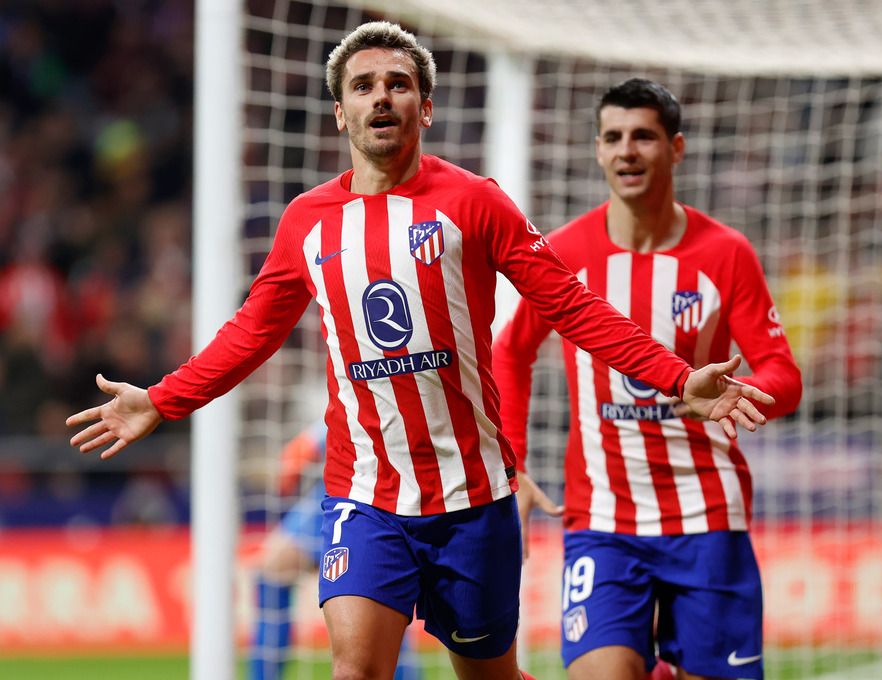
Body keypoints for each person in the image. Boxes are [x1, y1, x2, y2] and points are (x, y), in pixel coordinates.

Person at [67, 24, 775, 680]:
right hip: (364, 493)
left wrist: (676, 376)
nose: (381, 96)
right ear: (340, 114)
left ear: (425, 109)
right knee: (356, 669)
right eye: (364, 86)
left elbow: (572, 305)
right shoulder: (307, 223)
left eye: (398, 84)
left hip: (473, 499)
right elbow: (252, 332)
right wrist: (162, 399)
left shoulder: (475, 203)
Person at [492, 78, 802, 680]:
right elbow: (510, 351)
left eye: (643, 136)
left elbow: (783, 374)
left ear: (676, 148)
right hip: (602, 519)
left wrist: (741, 395)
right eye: (613, 138)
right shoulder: (565, 253)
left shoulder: (725, 253)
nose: (626, 151)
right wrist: (514, 465)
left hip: (706, 514)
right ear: (598, 151)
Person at [250, 421, 421, 680]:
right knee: (272, 571)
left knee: (381, 596)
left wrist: (311, 440)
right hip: (340, 484)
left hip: (378, 486)